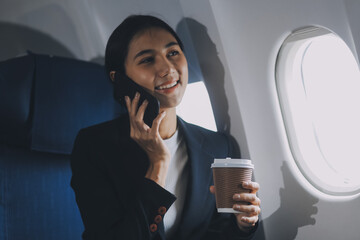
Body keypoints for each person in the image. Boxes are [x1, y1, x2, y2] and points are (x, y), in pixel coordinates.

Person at [70, 15, 261, 240]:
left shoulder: (219, 147)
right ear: (119, 78)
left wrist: (242, 225)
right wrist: (158, 163)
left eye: (172, 53)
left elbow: (217, 233)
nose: (167, 68)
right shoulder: (94, 146)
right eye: (147, 60)